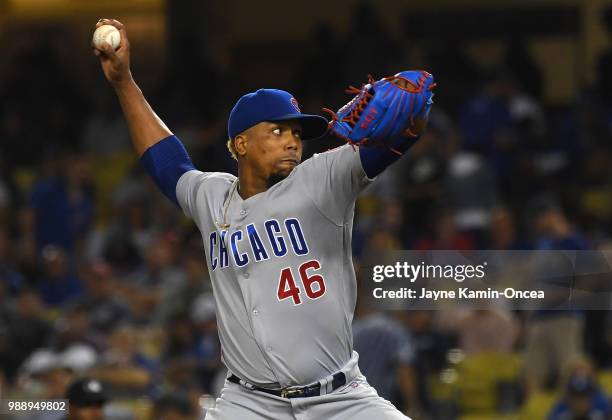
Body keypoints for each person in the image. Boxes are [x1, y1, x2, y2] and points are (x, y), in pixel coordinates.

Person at [94, 18, 432, 420]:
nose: (292, 140)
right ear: (241, 144)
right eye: (277, 131)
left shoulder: (323, 178)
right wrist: (123, 82)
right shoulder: (212, 196)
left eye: (296, 133)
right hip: (250, 404)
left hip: (340, 400)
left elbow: (401, 135)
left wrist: (416, 114)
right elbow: (166, 162)